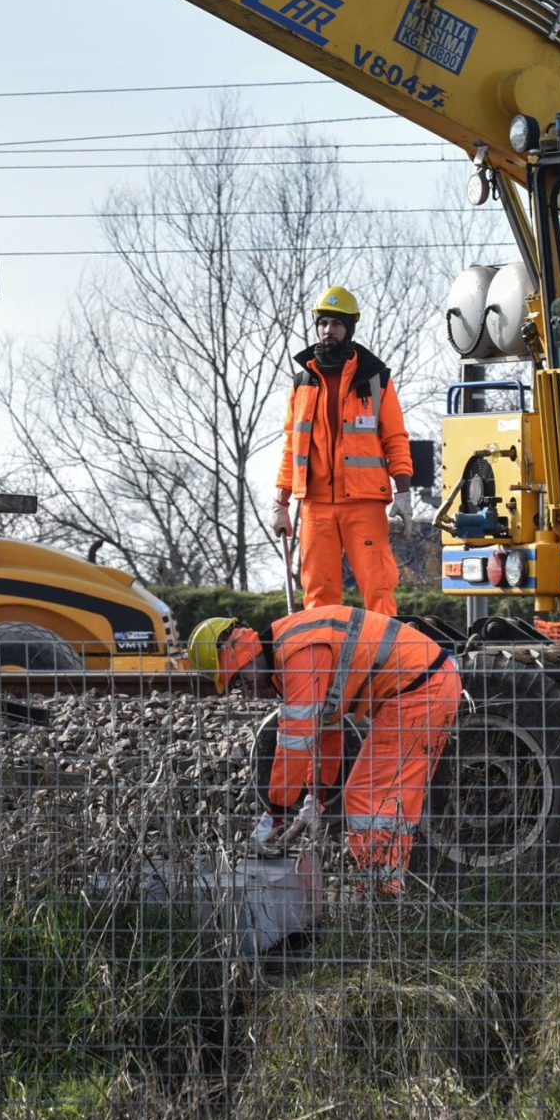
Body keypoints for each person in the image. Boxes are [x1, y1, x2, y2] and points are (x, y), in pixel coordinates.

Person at [188, 607, 461, 891]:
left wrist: (276, 812)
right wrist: (315, 796)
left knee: (369, 796)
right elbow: (327, 730)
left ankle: (382, 891)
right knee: (380, 796)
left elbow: (296, 740)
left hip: (422, 690)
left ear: (243, 655)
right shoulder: (290, 652)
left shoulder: (298, 652)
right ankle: (383, 886)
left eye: (241, 681)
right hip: (423, 686)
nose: (247, 692)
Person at [273, 286, 412, 614]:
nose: (328, 330)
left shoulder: (375, 380)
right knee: (318, 593)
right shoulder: (302, 382)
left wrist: (403, 491)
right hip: (315, 506)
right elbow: (291, 445)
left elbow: (395, 438)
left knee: (378, 586)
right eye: (323, 323)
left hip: (364, 503)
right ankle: (321, 661)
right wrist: (280, 501)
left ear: (349, 328)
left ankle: (384, 661)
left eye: (336, 324)